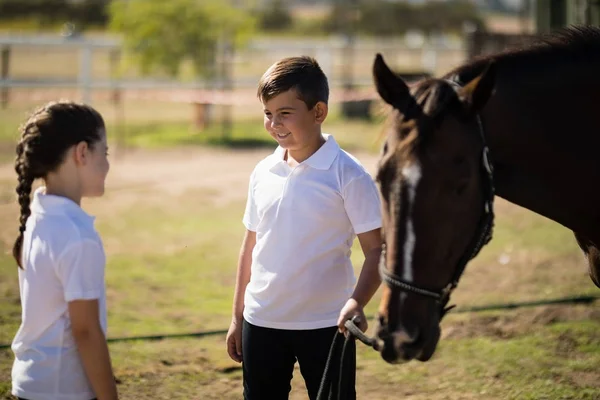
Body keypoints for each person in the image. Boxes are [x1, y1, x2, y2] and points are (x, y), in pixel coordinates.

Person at [225, 56, 383, 400]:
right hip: (261, 322)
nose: (274, 124)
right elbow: (250, 245)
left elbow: (377, 250)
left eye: (285, 113)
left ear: (318, 112)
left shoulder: (349, 175)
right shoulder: (262, 171)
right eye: (268, 113)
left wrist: (358, 301)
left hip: (328, 325)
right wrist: (238, 317)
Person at [10, 100, 118, 400]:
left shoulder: (39, 213)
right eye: (105, 153)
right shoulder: (77, 236)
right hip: (65, 390)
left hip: (30, 383)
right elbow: (85, 331)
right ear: (82, 152)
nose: (108, 164)